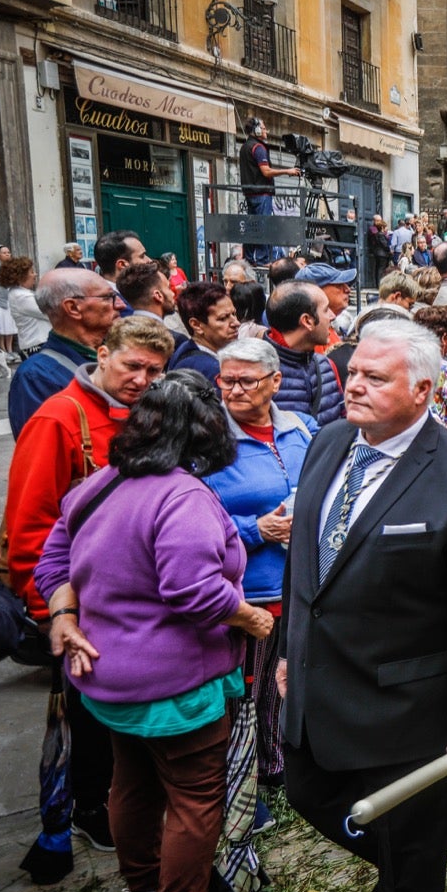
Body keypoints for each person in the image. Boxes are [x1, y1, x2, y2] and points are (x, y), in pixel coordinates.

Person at [277, 319, 447, 892]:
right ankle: (399, 862)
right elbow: (306, 559)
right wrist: (286, 649)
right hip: (316, 684)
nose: (352, 385)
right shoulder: (329, 442)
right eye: (352, 371)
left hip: (407, 705)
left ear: (423, 390)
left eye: (373, 378)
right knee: (306, 790)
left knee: (411, 876)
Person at [36, 370, 275, 892]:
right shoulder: (183, 497)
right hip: (178, 687)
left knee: (133, 784)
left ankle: (141, 890)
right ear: (206, 434)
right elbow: (193, 591)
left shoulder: (98, 485)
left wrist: (64, 615)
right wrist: (250, 617)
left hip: (109, 681)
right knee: (195, 801)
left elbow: (54, 564)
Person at [3, 316, 174, 884]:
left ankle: (116, 805)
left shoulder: (147, 416)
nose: (142, 379)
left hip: (130, 606)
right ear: (102, 353)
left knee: (118, 723)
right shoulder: (58, 417)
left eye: (154, 371)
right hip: (76, 608)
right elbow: (28, 527)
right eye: (132, 366)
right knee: (85, 721)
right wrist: (53, 609)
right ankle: (87, 810)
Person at [201, 338, 317, 800]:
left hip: (302, 581)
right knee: (245, 689)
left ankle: (276, 763)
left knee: (283, 679)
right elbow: (190, 517)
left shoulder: (300, 429)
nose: (233, 390)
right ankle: (243, 777)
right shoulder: (210, 441)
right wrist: (255, 529)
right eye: (226, 380)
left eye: (246, 380)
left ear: (274, 382)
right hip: (248, 589)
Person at [8, 269, 124, 438]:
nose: (120, 304)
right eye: (107, 298)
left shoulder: (116, 355)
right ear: (73, 308)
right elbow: (44, 450)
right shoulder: (37, 376)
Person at [264, 282, 345, 425]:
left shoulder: (326, 366)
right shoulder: (255, 374)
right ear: (307, 321)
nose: (332, 316)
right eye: (326, 310)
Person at [165, 281, 241, 383]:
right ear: (196, 325)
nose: (236, 323)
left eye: (234, 314)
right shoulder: (211, 372)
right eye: (223, 318)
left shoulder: (184, 349)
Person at [238, 117, 301, 216]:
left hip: (249, 195)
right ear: (257, 131)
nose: (266, 131)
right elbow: (266, 172)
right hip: (261, 195)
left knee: (254, 229)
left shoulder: (244, 147)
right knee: (264, 229)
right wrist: (287, 171)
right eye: (263, 128)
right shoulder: (258, 147)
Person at [0, 256, 50, 354]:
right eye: (32, 272)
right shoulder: (21, 296)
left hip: (39, 343)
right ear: (21, 276)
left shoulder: (22, 293)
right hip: (36, 344)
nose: (35, 274)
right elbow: (48, 313)